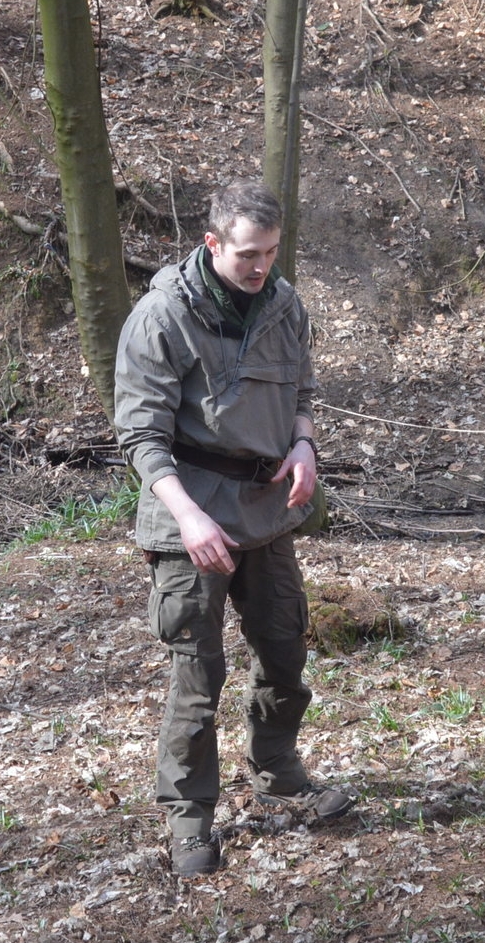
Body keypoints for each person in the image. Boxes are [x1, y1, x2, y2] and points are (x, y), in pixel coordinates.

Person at [114, 179, 353, 878]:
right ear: (211, 244)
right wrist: (187, 517)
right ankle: (189, 815)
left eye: (272, 252)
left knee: (284, 649)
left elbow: (302, 390)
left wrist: (304, 445)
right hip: (187, 508)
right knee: (198, 672)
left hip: (266, 508)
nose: (260, 267)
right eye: (248, 253)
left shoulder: (284, 305)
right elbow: (141, 437)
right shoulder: (161, 316)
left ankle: (277, 770)